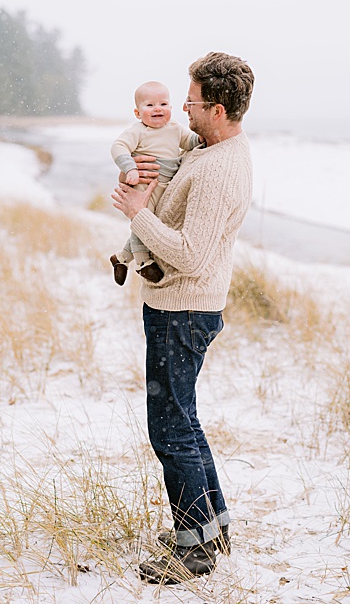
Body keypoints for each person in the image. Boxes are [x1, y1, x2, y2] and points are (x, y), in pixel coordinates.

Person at [110, 52, 254, 584]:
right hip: (181, 305)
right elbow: (169, 171)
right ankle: (213, 527)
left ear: (217, 109)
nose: (183, 111)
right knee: (184, 419)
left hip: (184, 308)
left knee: (170, 428)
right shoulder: (207, 148)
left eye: (191, 103)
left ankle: (194, 551)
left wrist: (137, 214)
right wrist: (145, 175)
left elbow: (190, 255)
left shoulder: (219, 168)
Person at [108, 80, 200, 286]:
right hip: (144, 182)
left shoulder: (175, 128)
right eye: (150, 105)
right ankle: (143, 262)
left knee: (152, 221)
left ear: (170, 107)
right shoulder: (139, 131)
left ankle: (121, 258)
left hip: (164, 185)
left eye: (163, 104)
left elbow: (191, 142)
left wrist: (206, 139)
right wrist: (130, 168)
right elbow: (118, 146)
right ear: (137, 113)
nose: (158, 109)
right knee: (143, 217)